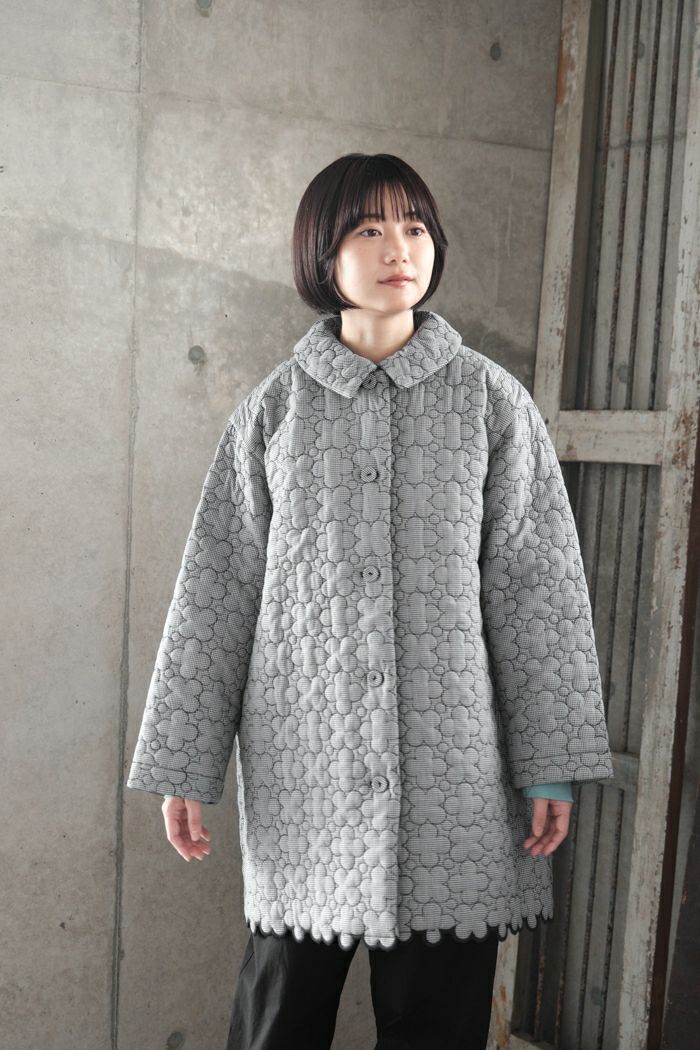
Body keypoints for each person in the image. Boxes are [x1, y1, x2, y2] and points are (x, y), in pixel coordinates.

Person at [126, 153, 615, 1050]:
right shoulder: (275, 413)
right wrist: (185, 768)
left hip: (454, 783)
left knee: (437, 1025)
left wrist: (548, 766)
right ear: (324, 252)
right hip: (305, 780)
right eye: (371, 228)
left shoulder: (492, 406)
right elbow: (215, 592)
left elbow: (537, 591)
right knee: (277, 1021)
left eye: (416, 227)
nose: (400, 248)